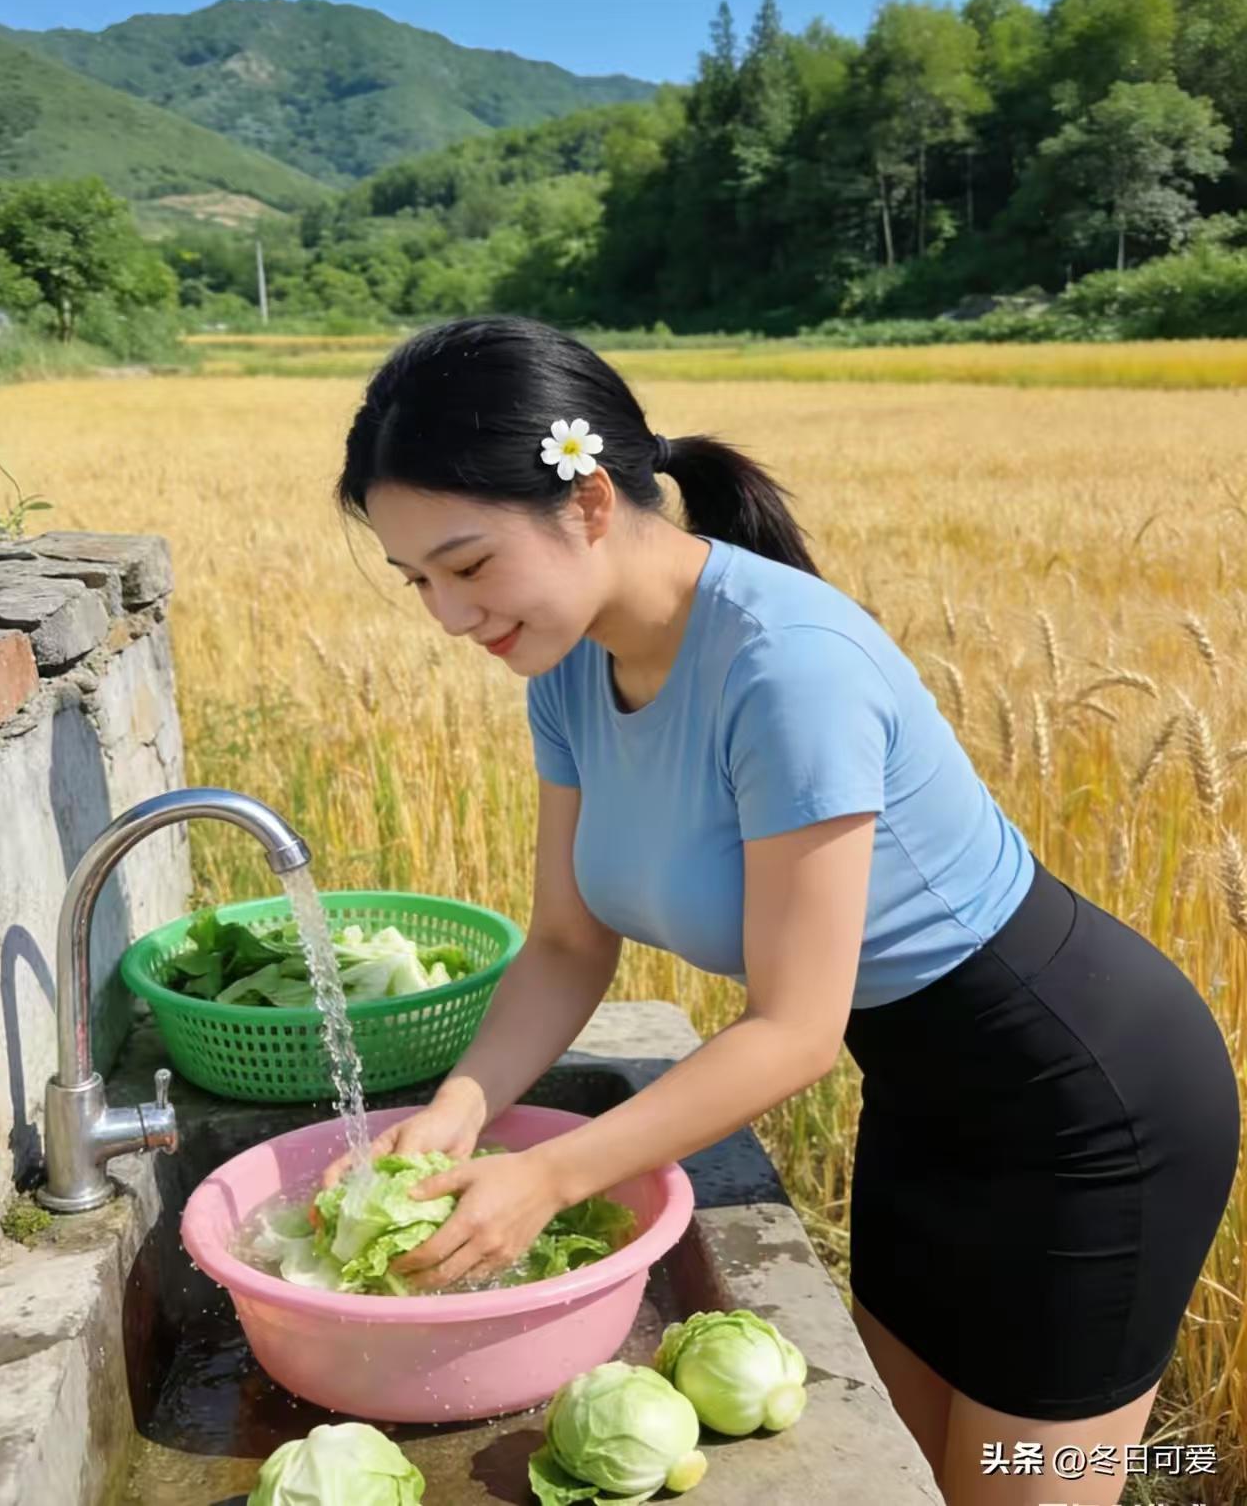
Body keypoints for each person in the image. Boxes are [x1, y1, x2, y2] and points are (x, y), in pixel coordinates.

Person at [325, 313, 1239, 1506]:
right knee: (910, 1477)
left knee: (1025, 1485)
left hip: (1089, 1109)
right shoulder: (564, 667)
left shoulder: (783, 664)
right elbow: (563, 941)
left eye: (467, 563)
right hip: (922, 1101)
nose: (448, 616)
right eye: (417, 583)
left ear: (589, 501)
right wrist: (460, 1109)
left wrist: (546, 1179)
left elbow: (794, 1029)